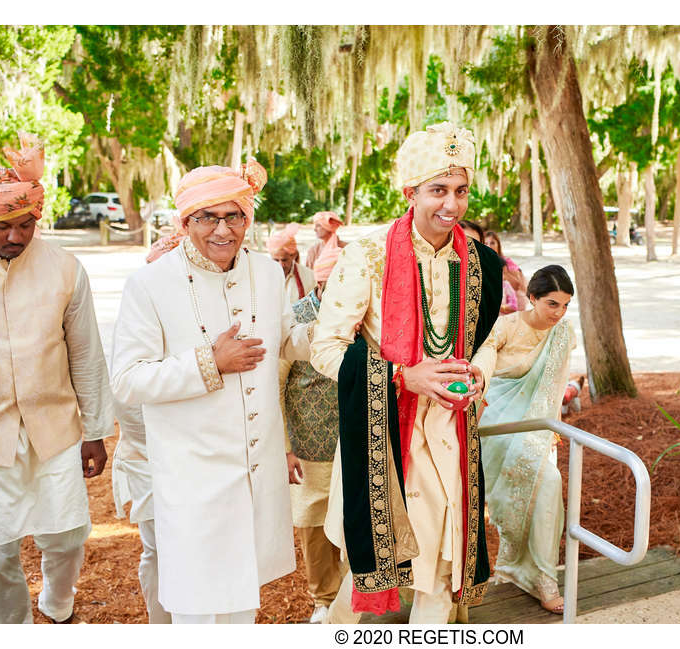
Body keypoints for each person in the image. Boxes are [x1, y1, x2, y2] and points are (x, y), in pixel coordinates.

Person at [310, 122, 503, 624]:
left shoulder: (482, 263)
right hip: (384, 435)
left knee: (442, 565)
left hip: (453, 432)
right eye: (438, 190)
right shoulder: (368, 256)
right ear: (410, 192)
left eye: (461, 191)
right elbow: (326, 347)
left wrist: (479, 372)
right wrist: (402, 376)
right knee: (367, 568)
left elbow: (487, 342)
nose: (452, 205)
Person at [110, 158, 310, 624]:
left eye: (234, 216)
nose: (223, 230)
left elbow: (286, 340)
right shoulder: (149, 283)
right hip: (193, 479)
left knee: (243, 603)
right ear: (185, 223)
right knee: (196, 609)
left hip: (254, 473)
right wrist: (208, 364)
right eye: (207, 217)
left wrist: (333, 317)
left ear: (248, 218)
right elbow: (127, 378)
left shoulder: (264, 271)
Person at [0, 134, 114, 624]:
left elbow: (87, 354)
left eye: (26, 224)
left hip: (54, 427)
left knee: (66, 535)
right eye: (2, 227)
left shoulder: (64, 268)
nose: (16, 236)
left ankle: (59, 597)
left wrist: (95, 431)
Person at [479, 265, 577, 614]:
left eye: (565, 305)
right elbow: (483, 375)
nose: (559, 313)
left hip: (535, 429)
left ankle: (541, 576)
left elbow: (553, 387)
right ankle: (516, 566)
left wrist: (553, 429)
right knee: (541, 484)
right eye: (552, 304)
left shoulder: (563, 334)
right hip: (496, 429)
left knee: (548, 484)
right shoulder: (505, 327)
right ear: (531, 297)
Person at [108, 233, 186, 625]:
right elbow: (126, 395)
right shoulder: (136, 312)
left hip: (198, 458)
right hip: (147, 457)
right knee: (158, 548)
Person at [280, 235, 347, 624]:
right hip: (309, 441)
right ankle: (324, 600)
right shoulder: (296, 317)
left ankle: (351, 599)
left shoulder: (366, 317)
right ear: (321, 283)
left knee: (353, 519)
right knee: (315, 525)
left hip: (353, 439)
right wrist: (285, 447)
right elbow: (275, 384)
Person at [267, 222, 316, 303]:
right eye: (276, 260)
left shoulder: (309, 277)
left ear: (293, 256)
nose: (281, 265)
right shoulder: (261, 276)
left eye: (284, 260)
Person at [483, 230, 527, 314]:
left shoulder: (507, 262)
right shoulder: (479, 262)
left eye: (492, 243)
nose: (489, 246)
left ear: (498, 245)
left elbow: (518, 285)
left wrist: (504, 272)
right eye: (485, 243)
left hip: (512, 308)